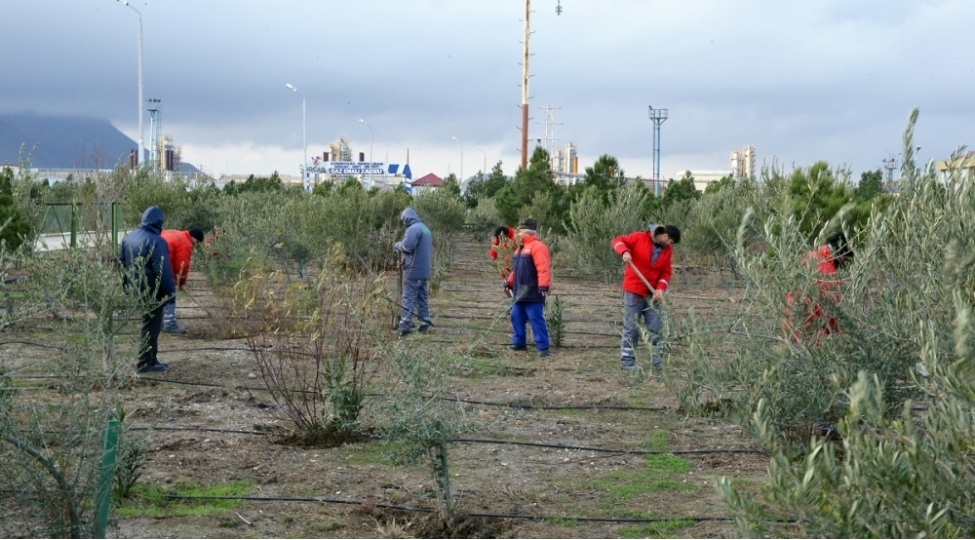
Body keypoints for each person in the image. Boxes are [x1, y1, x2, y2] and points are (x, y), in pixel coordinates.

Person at [612, 224, 681, 370]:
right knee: (632, 327)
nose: (671, 246)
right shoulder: (639, 237)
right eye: (671, 242)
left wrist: (660, 289)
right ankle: (627, 362)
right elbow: (617, 241)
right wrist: (624, 251)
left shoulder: (667, 251)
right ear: (665, 236)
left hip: (652, 295)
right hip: (633, 292)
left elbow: (666, 273)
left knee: (656, 327)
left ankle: (657, 363)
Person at [119, 206, 176, 373]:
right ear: (159, 222)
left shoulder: (128, 237)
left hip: (138, 289)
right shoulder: (157, 241)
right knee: (151, 326)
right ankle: (145, 364)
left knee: (151, 324)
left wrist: (127, 286)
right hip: (153, 291)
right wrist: (170, 293)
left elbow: (122, 264)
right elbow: (163, 271)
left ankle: (152, 359)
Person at [785, 232, 854, 342]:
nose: (846, 265)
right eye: (846, 260)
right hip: (809, 332)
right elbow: (830, 310)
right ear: (842, 253)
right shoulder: (828, 273)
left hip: (789, 323)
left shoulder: (810, 255)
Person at [505, 217, 552, 357]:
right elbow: (516, 270)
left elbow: (543, 268)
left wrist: (544, 286)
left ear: (527, 233)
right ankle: (519, 343)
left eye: (520, 231)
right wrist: (509, 282)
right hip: (520, 293)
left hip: (533, 293)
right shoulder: (520, 249)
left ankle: (543, 347)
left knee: (535, 319)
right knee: (516, 317)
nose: (518, 234)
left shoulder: (538, 247)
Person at [394, 208, 433, 336]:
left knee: (408, 298)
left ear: (406, 218)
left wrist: (397, 245)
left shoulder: (412, 229)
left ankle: (405, 326)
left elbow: (407, 246)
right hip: (424, 270)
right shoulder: (425, 228)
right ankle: (424, 323)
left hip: (413, 271)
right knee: (422, 297)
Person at [160, 227, 205, 333]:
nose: (195, 245)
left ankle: (159, 322)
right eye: (197, 242)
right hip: (165, 269)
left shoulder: (172, 233)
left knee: (159, 295)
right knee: (169, 295)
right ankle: (169, 323)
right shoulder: (186, 242)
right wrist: (181, 283)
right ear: (194, 238)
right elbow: (182, 266)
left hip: (154, 266)